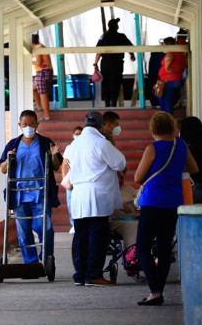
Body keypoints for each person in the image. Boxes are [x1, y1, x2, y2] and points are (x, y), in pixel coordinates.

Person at [134, 111, 198, 305]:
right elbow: (194, 169)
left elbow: (137, 178)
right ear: (171, 127)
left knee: (143, 247)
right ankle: (158, 291)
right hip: (173, 203)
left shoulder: (152, 149)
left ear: (154, 129)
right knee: (163, 248)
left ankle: (155, 291)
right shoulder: (181, 145)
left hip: (153, 202)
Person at [63, 111, 126, 286]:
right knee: (97, 237)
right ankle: (94, 275)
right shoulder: (101, 143)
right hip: (97, 196)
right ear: (100, 126)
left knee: (81, 237)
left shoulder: (73, 145)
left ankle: (80, 276)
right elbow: (120, 163)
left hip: (78, 197)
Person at [0, 110, 62, 264]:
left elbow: (56, 167)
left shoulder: (46, 142)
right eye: (25, 124)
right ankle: (31, 263)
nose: (28, 127)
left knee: (43, 227)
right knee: (23, 230)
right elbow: (3, 169)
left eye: (32, 124)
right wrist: (9, 158)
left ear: (37, 125)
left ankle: (46, 257)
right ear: (19, 125)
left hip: (41, 193)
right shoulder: (13, 144)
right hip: (19, 194)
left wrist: (53, 155)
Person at [94, 18, 136, 107]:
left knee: (105, 83)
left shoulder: (103, 36)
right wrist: (132, 54)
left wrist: (95, 63)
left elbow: (98, 51)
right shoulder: (121, 36)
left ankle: (107, 103)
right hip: (117, 64)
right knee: (115, 83)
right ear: (116, 26)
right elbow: (130, 47)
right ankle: (113, 103)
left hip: (105, 63)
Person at [109, 170, 140, 276]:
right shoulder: (106, 190)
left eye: (122, 177)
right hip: (115, 220)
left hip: (133, 218)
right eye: (117, 177)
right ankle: (131, 257)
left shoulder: (130, 190)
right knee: (133, 225)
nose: (119, 180)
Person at [158, 37, 187, 114]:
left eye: (164, 44)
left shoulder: (170, 52)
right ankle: (166, 116)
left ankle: (166, 118)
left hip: (169, 80)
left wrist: (167, 68)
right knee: (169, 99)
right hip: (177, 79)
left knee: (166, 100)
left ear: (167, 44)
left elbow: (169, 57)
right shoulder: (180, 52)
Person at [65, 125, 83, 234]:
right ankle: (73, 223)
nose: (78, 136)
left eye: (80, 134)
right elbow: (64, 164)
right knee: (70, 202)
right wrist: (65, 180)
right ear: (72, 135)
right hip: (71, 178)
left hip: (82, 178)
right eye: (76, 134)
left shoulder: (86, 147)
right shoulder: (69, 147)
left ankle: (80, 223)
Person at [31, 34, 53, 121]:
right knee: (33, 88)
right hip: (44, 72)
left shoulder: (37, 48)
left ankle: (47, 115)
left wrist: (28, 60)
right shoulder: (41, 46)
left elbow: (38, 62)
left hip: (42, 72)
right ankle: (39, 106)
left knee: (43, 93)